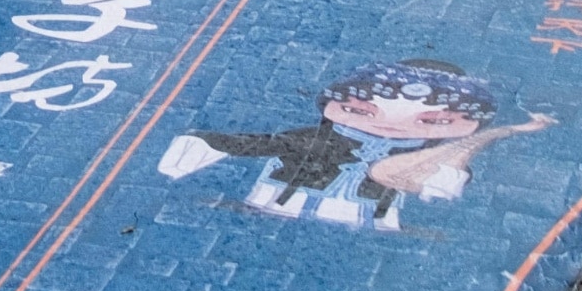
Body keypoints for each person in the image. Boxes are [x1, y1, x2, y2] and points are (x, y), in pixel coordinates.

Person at [156, 58, 556, 231]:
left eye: (434, 120)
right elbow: (250, 143)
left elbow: (394, 175)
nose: (391, 123)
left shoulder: (439, 157)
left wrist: (497, 133)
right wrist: (200, 144)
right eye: (362, 110)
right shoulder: (307, 138)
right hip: (266, 212)